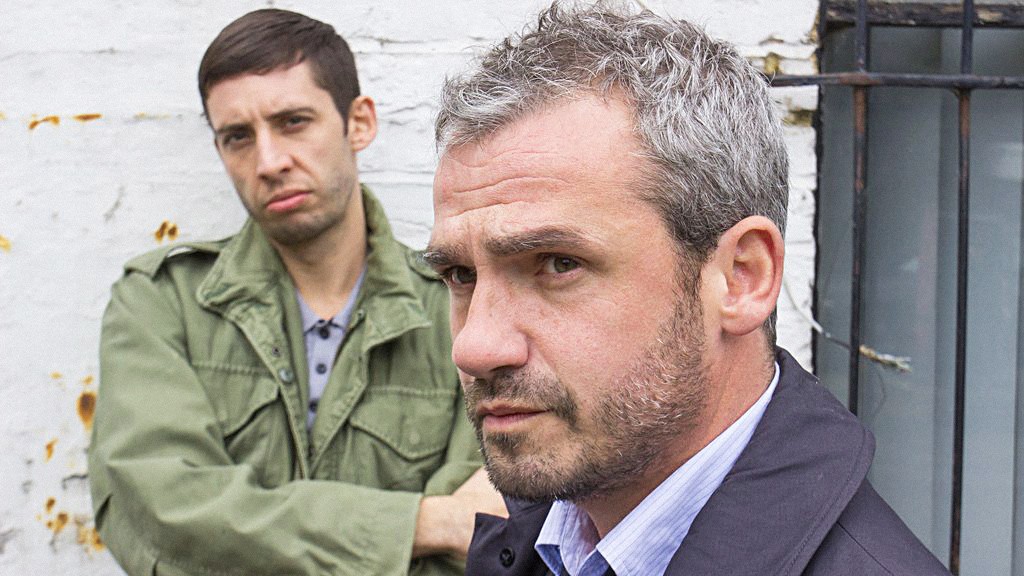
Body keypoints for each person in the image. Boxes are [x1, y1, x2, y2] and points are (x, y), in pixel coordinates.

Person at [425, 3, 952, 575]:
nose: (473, 347)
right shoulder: (545, 540)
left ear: (743, 277)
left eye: (558, 264)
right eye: (461, 275)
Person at [88, 9, 504, 575]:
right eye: (237, 137)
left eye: (292, 122)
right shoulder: (163, 303)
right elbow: (159, 515)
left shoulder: (457, 306)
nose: (269, 162)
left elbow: (484, 541)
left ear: (359, 123)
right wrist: (424, 524)